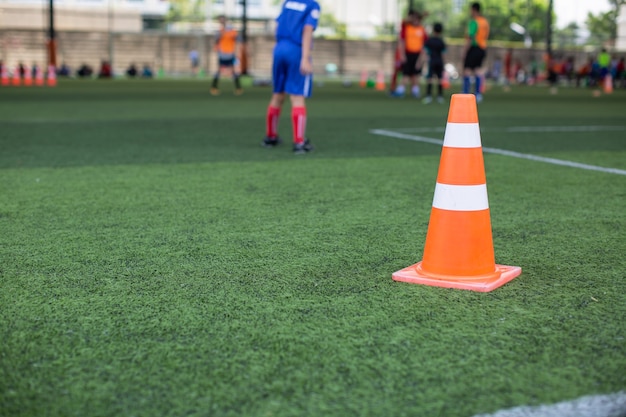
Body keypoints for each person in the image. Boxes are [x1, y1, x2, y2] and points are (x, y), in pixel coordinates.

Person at [263, 0, 320, 154]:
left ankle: (271, 136)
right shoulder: (312, 5)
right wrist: (305, 57)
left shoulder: (288, 2)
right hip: (296, 50)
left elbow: (278, 24)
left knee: (277, 94)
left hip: (279, 48)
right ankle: (299, 142)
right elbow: (308, 30)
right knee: (297, 97)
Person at [394, 10, 428, 98]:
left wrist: (422, 58)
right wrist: (402, 54)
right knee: (406, 73)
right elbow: (402, 42)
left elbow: (424, 44)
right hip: (408, 54)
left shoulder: (422, 29)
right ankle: (400, 90)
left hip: (418, 55)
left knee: (415, 74)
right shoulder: (407, 28)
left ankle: (415, 91)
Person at [462, 2, 489, 101]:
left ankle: (465, 92)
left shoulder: (474, 22)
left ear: (474, 10)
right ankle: (478, 94)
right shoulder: (485, 22)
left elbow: (470, 37)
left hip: (474, 47)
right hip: (482, 48)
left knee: (467, 70)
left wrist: (465, 51)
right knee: (478, 70)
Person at [210, 15, 243, 96]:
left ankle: (238, 88)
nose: (222, 22)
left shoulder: (232, 31)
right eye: (220, 21)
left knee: (233, 71)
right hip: (222, 54)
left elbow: (239, 39)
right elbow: (216, 40)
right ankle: (214, 87)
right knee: (219, 71)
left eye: (223, 20)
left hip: (231, 54)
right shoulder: (219, 31)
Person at [422, 22, 446, 104]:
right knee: (439, 79)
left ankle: (428, 96)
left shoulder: (430, 40)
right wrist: (444, 63)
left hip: (432, 61)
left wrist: (426, 59)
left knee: (430, 79)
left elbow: (425, 51)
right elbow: (443, 53)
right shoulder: (441, 41)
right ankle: (440, 96)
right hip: (439, 61)